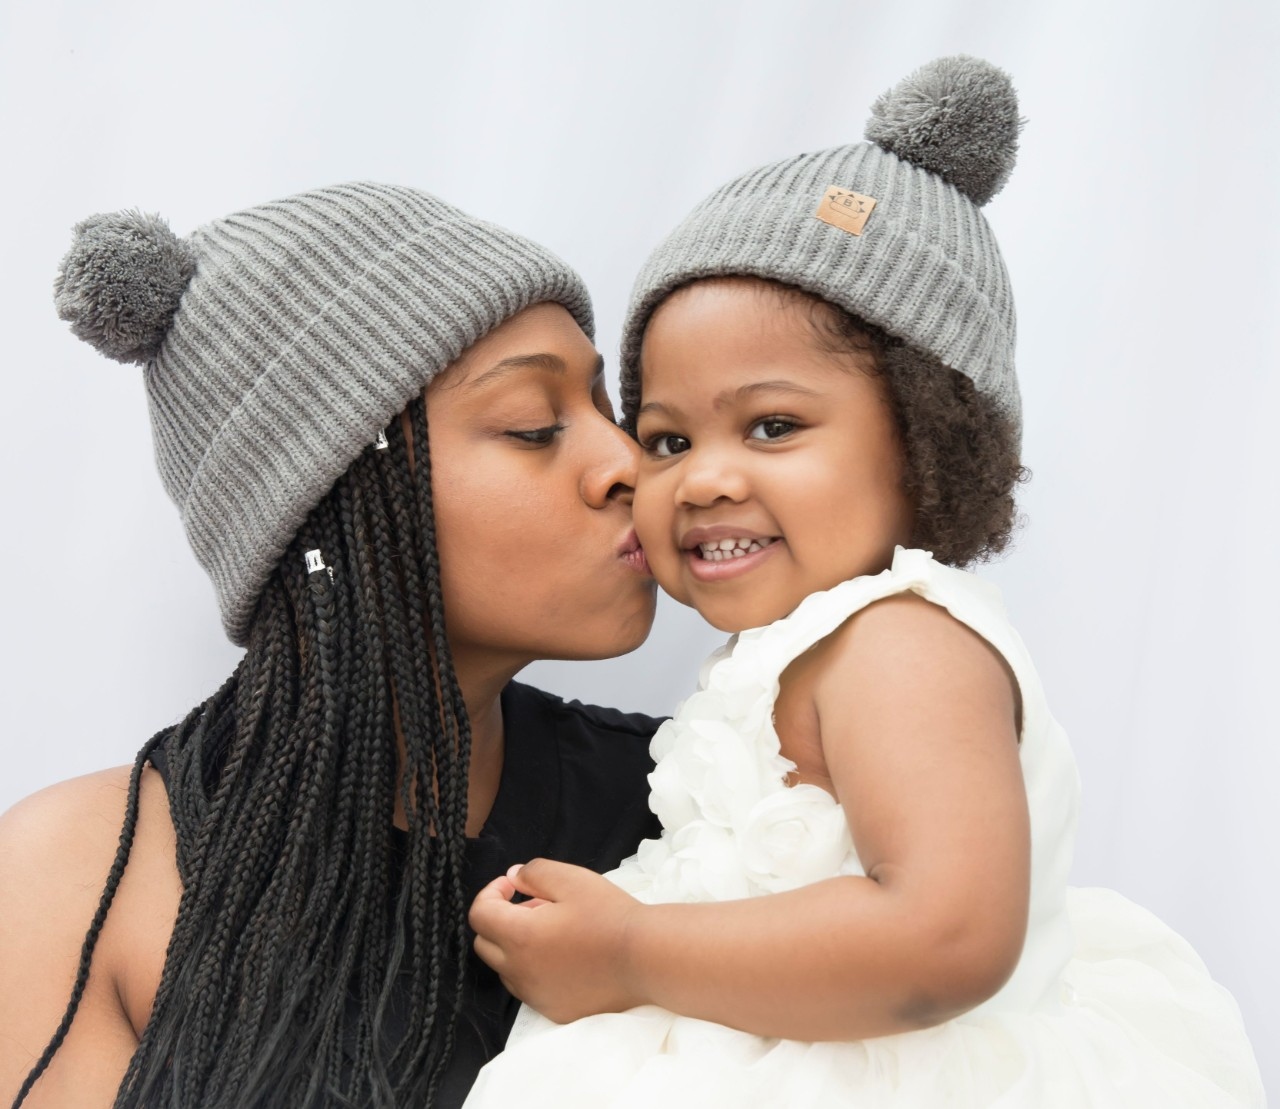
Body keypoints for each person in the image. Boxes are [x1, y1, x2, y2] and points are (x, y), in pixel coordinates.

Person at [464, 57, 1265, 1106]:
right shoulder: (803, 649)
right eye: (666, 438)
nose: (703, 478)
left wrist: (633, 951)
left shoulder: (900, 644)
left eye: (771, 425)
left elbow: (943, 936)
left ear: (926, 442)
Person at [0, 182, 662, 1108]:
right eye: (534, 425)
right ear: (328, 502)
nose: (629, 462)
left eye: (608, 407)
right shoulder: (76, 874)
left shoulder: (694, 794)